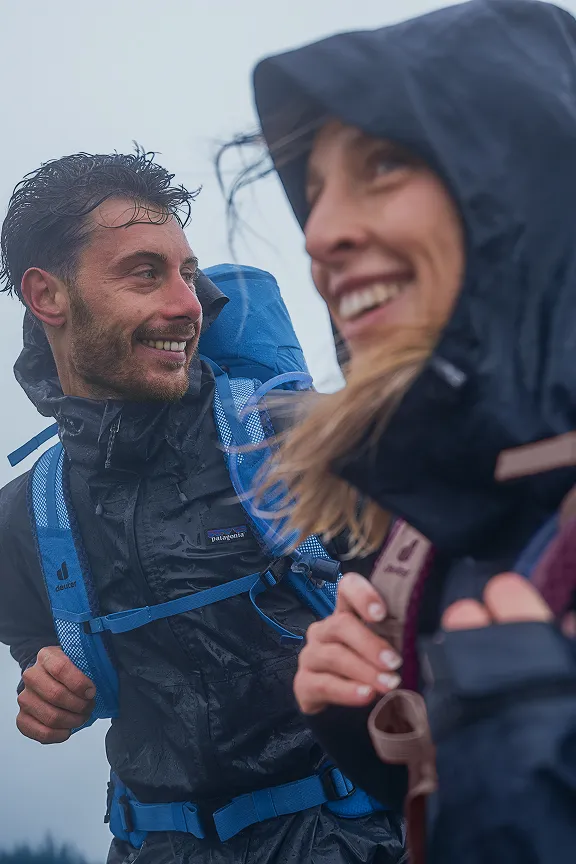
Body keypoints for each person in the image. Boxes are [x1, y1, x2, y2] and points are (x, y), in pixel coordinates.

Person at [0, 151, 404, 863]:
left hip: (358, 839)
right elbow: (37, 640)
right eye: (145, 273)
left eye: (187, 274)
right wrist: (48, 684)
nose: (190, 304)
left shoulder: (299, 442)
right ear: (47, 295)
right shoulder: (25, 517)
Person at [249, 0, 576, 861]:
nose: (320, 233)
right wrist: (381, 733)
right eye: (313, 193)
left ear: (525, 178)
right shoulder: (423, 518)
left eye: (384, 163)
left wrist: (534, 778)